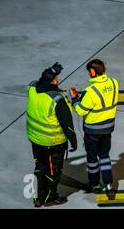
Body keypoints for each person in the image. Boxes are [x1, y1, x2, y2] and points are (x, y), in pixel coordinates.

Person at [26, 62, 77, 207]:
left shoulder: (32, 88)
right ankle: (50, 198)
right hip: (52, 142)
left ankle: (38, 197)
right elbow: (67, 125)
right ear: (53, 81)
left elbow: (41, 83)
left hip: (35, 139)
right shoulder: (57, 100)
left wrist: (51, 72)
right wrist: (73, 142)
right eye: (56, 78)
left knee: (39, 167)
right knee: (53, 171)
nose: (58, 79)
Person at [69, 59, 119, 194]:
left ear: (92, 72)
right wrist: (83, 95)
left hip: (93, 131)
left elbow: (80, 110)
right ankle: (108, 184)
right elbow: (103, 96)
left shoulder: (91, 91)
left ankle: (94, 184)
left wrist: (74, 99)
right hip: (108, 128)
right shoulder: (114, 83)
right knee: (104, 155)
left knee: (92, 158)